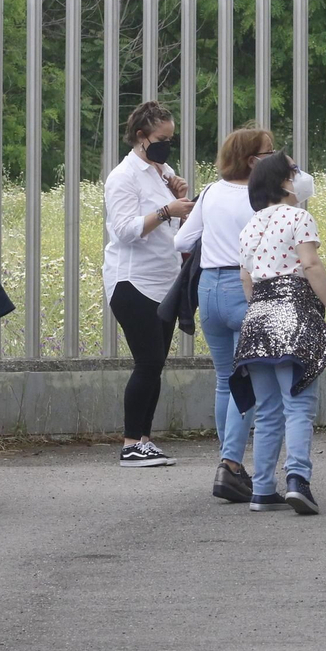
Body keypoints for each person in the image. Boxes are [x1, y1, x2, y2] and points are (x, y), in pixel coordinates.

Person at [234, 152, 326, 513]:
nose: (301, 177)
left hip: (257, 318)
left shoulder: (250, 226)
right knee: (298, 405)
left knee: (267, 410)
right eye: (295, 171)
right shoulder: (299, 217)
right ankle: (298, 479)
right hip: (293, 313)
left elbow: (246, 279)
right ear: (283, 182)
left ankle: (263, 489)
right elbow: (310, 263)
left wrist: (262, 308)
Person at [174, 125, 273, 501]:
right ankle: (230, 465)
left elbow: (181, 240)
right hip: (244, 288)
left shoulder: (211, 192)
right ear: (253, 160)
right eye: (269, 153)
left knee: (224, 379)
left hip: (207, 289)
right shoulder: (260, 196)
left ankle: (227, 462)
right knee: (247, 381)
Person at [104, 100, 193, 467]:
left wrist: (179, 200)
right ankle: (129, 444)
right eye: (160, 138)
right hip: (132, 281)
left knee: (156, 365)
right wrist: (166, 211)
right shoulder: (122, 177)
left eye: (171, 138)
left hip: (164, 280)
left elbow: (177, 228)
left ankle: (144, 438)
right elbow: (125, 230)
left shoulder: (162, 171)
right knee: (148, 360)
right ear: (141, 137)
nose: (166, 145)